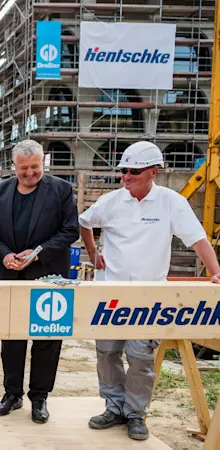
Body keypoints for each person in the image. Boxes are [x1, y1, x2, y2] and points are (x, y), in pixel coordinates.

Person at [79, 141, 220, 441]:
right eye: (123, 171)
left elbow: (197, 239)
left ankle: (135, 414)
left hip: (149, 296)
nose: (125, 176)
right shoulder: (111, 201)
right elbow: (84, 222)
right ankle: (114, 407)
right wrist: (93, 253)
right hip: (110, 293)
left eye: (133, 171)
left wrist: (216, 271)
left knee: (141, 357)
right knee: (107, 352)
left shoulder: (171, 202)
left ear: (153, 172)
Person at [0, 139, 79, 424]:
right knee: (11, 337)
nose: (29, 172)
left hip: (49, 277)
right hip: (10, 274)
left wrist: (37, 255)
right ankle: (12, 394)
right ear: (14, 167)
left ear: (43, 163)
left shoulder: (61, 190)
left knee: (47, 339)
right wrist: (4, 255)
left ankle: (40, 397)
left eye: (35, 166)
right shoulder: (0, 191)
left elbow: (70, 230)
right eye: (23, 168)